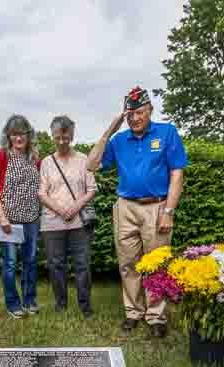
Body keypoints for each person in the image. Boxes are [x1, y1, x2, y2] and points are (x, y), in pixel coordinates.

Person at [86, 86, 187, 337]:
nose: (135, 118)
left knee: (156, 263)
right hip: (126, 207)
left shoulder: (167, 133)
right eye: (129, 114)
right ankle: (133, 312)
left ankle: (155, 316)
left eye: (139, 112)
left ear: (150, 110)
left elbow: (177, 173)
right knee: (128, 263)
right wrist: (112, 128)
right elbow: (91, 165)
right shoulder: (119, 140)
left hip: (157, 205)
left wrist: (169, 211)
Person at [38, 115, 96, 317]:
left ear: (72, 135)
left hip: (79, 223)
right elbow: (42, 193)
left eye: (66, 137)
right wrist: (60, 210)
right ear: (52, 136)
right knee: (56, 265)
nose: (62, 141)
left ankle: (85, 305)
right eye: (58, 137)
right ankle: (61, 304)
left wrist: (73, 208)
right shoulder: (46, 162)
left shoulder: (84, 160)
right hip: (52, 223)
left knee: (82, 265)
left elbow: (91, 189)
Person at [0, 115, 41, 319]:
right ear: (8, 136)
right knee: (10, 263)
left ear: (29, 135)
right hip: (8, 219)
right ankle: (12, 303)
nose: (19, 138)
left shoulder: (35, 157)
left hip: (32, 218)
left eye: (22, 134)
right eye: (14, 134)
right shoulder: (1, 155)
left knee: (31, 261)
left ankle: (29, 300)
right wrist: (2, 217)